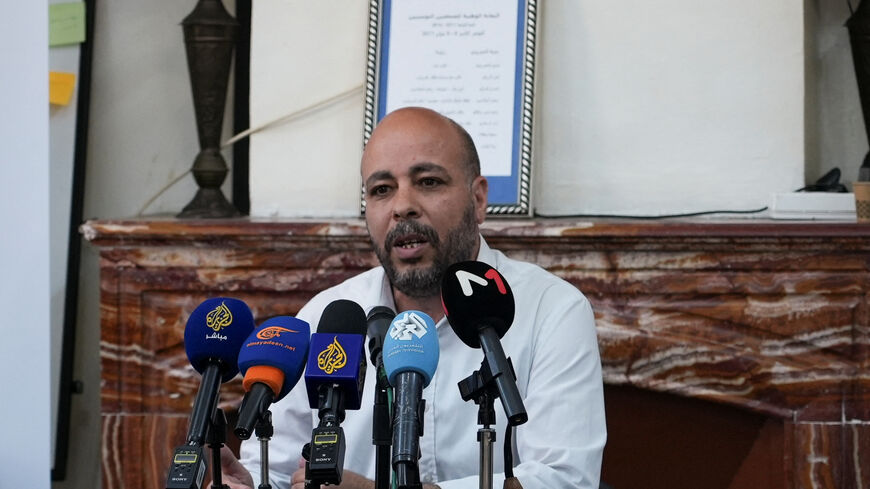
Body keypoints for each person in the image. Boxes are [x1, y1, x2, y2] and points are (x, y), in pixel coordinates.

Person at [220, 107, 606, 488]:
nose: (402, 206)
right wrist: (246, 485)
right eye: (381, 190)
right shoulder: (325, 318)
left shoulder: (551, 310)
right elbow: (276, 471)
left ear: (478, 199)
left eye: (428, 182)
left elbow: (563, 479)